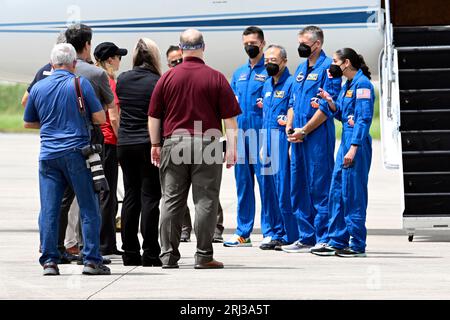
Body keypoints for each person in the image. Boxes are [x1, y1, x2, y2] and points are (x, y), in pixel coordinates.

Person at [149, 29, 241, 269]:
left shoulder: (167, 77)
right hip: (207, 143)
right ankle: (203, 256)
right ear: (204, 47)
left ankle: (168, 256)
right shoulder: (216, 77)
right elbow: (230, 119)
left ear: (180, 49)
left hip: (173, 142)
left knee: (171, 201)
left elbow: (154, 117)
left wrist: (155, 144)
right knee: (206, 200)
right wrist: (232, 148)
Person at [24, 43, 110, 276]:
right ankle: (92, 260)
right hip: (76, 153)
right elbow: (100, 118)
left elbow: (28, 122)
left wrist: (52, 126)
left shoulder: (39, 87)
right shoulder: (79, 83)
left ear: (52, 64)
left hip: (48, 155)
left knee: (50, 209)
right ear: (74, 64)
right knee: (89, 207)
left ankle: (50, 261)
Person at [57, 24, 115, 264]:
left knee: (61, 200)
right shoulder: (94, 74)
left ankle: (56, 248)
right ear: (87, 44)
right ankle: (90, 253)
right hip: (88, 142)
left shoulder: (47, 73)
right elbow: (106, 110)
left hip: (56, 144)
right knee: (91, 197)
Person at [282, 26, 342, 253]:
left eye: (305, 42)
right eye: (300, 41)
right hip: (297, 138)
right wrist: (290, 127)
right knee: (298, 187)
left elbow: (327, 106)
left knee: (320, 187)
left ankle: (324, 236)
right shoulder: (299, 68)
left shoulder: (329, 69)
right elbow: (292, 102)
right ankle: (306, 236)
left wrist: (305, 130)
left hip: (316, 138)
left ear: (317, 44)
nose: (301, 46)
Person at [312, 48, 374, 258]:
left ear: (346, 62)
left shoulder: (363, 84)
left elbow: (364, 119)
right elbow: (343, 115)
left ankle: (357, 243)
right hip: (346, 141)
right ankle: (337, 239)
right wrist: (331, 101)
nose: (333, 65)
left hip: (356, 144)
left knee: (353, 193)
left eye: (336, 61)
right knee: (337, 191)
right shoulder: (348, 85)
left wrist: (354, 147)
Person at [165, 45, 225, 243]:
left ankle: (214, 229)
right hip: (183, 142)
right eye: (172, 61)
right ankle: (196, 244)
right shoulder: (169, 80)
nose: (176, 63)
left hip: (202, 138)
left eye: (178, 59)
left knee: (204, 196)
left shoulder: (205, 77)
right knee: (178, 198)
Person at [116, 38, 163, 267]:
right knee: (150, 197)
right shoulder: (158, 81)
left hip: (124, 144)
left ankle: (129, 251)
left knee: (130, 196)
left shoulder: (122, 79)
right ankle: (151, 252)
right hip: (148, 143)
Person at [224, 26, 270, 248]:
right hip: (242, 136)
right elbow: (230, 108)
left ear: (262, 43)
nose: (248, 47)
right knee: (243, 186)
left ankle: (271, 231)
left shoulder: (271, 70)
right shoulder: (239, 73)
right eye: (245, 44)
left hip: (262, 137)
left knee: (267, 185)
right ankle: (243, 232)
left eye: (252, 43)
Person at [258, 45, 298, 250]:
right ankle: (273, 231)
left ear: (284, 61)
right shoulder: (266, 85)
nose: (269, 63)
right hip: (267, 140)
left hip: (282, 141)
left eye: (273, 60)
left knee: (284, 189)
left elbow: (292, 109)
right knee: (269, 190)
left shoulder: (291, 83)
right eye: (266, 60)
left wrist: (290, 140)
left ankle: (289, 234)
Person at [94, 42, 128, 257]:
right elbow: (114, 116)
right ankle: (106, 243)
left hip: (98, 141)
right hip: (109, 141)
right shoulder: (109, 81)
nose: (119, 61)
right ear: (109, 60)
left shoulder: (93, 77)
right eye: (117, 57)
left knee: (98, 192)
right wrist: (121, 138)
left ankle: (99, 240)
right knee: (108, 194)